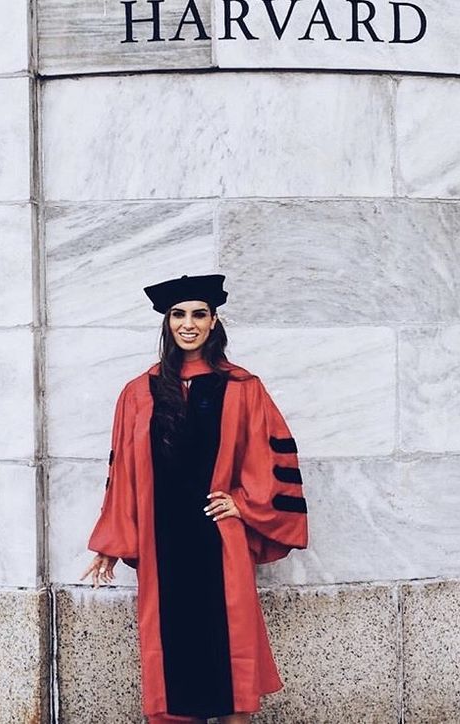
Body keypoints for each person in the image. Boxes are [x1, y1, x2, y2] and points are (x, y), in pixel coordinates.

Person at [80, 273, 308, 724]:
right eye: (178, 315)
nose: (188, 324)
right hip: (162, 544)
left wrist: (243, 503)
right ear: (167, 324)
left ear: (214, 321)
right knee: (172, 655)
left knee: (229, 652)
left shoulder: (243, 387)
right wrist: (110, 542)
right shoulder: (138, 392)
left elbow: (268, 455)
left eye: (198, 314)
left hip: (220, 540)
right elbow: (122, 471)